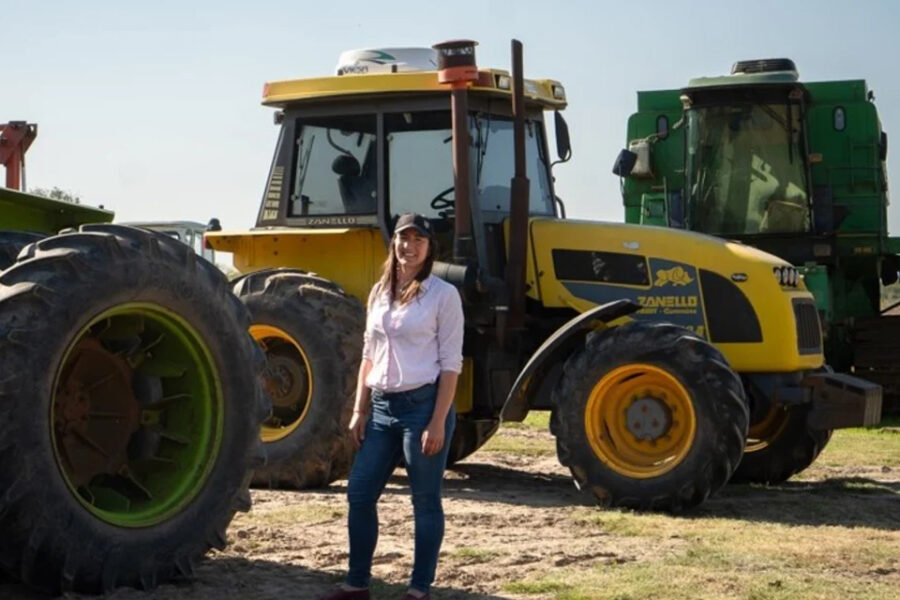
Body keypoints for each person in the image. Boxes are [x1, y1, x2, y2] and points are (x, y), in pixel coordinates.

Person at [321, 212, 464, 600]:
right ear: (394, 242)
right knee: (360, 492)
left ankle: (419, 589)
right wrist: (359, 409)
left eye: (419, 239)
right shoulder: (378, 292)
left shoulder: (443, 296)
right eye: (404, 237)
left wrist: (437, 422)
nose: (410, 245)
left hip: (423, 408)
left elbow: (451, 364)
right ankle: (357, 583)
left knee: (424, 499)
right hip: (381, 409)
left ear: (429, 247)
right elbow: (369, 352)